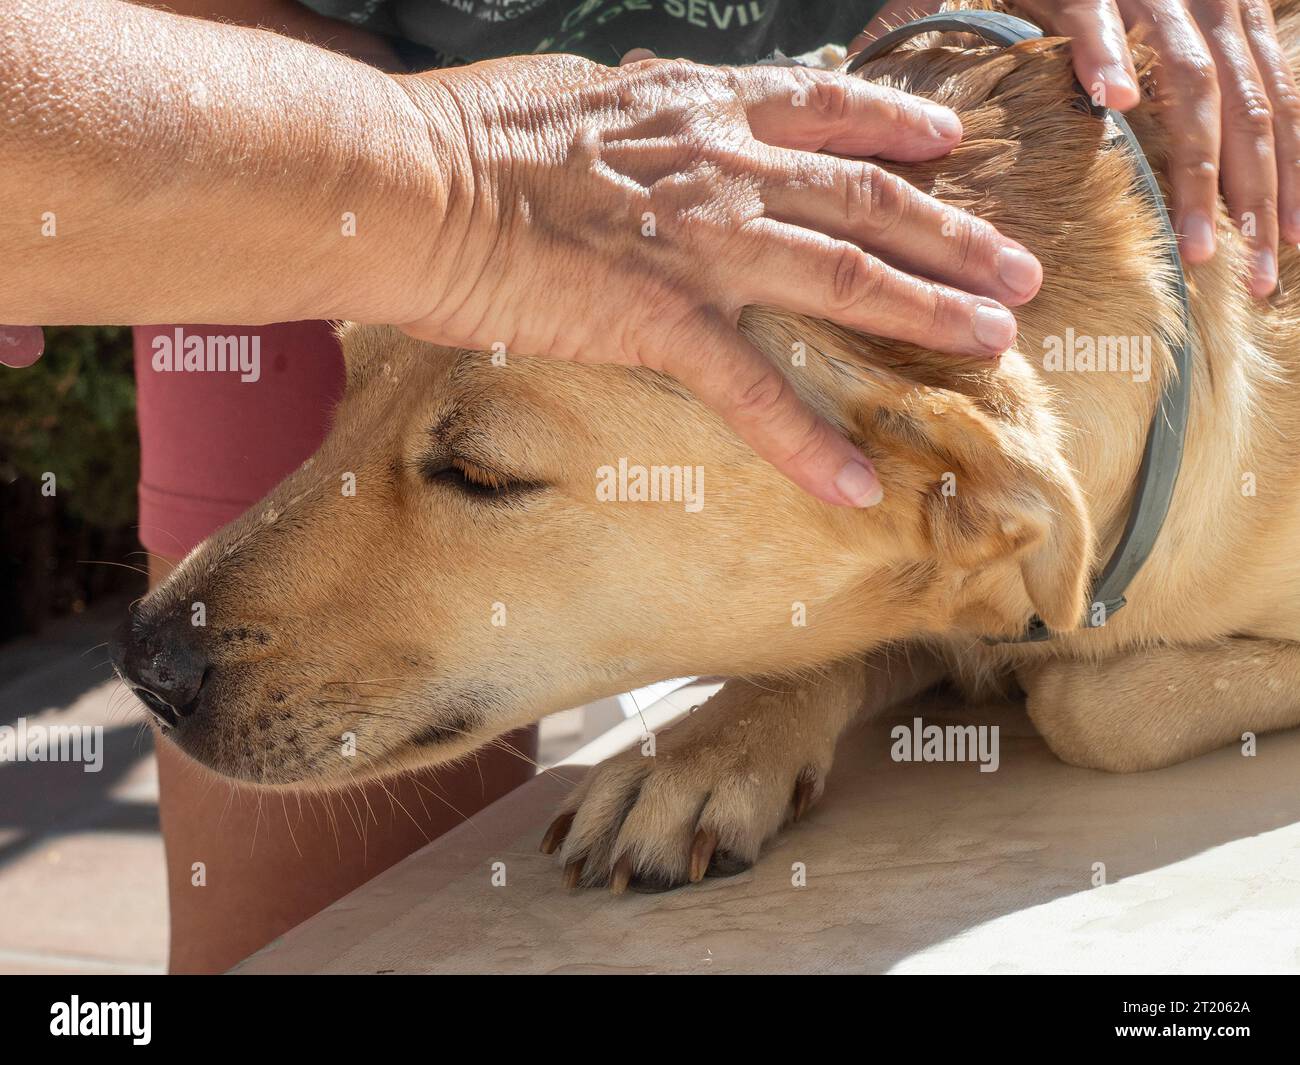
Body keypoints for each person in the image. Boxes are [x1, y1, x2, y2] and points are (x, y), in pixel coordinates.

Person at [0, 0, 1294, 972]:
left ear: (976, 493)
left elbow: (912, 527)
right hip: (314, 126)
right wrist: (439, 179)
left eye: (476, 470)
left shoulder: (1000, 466)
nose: (183, 630)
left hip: (796, 113)